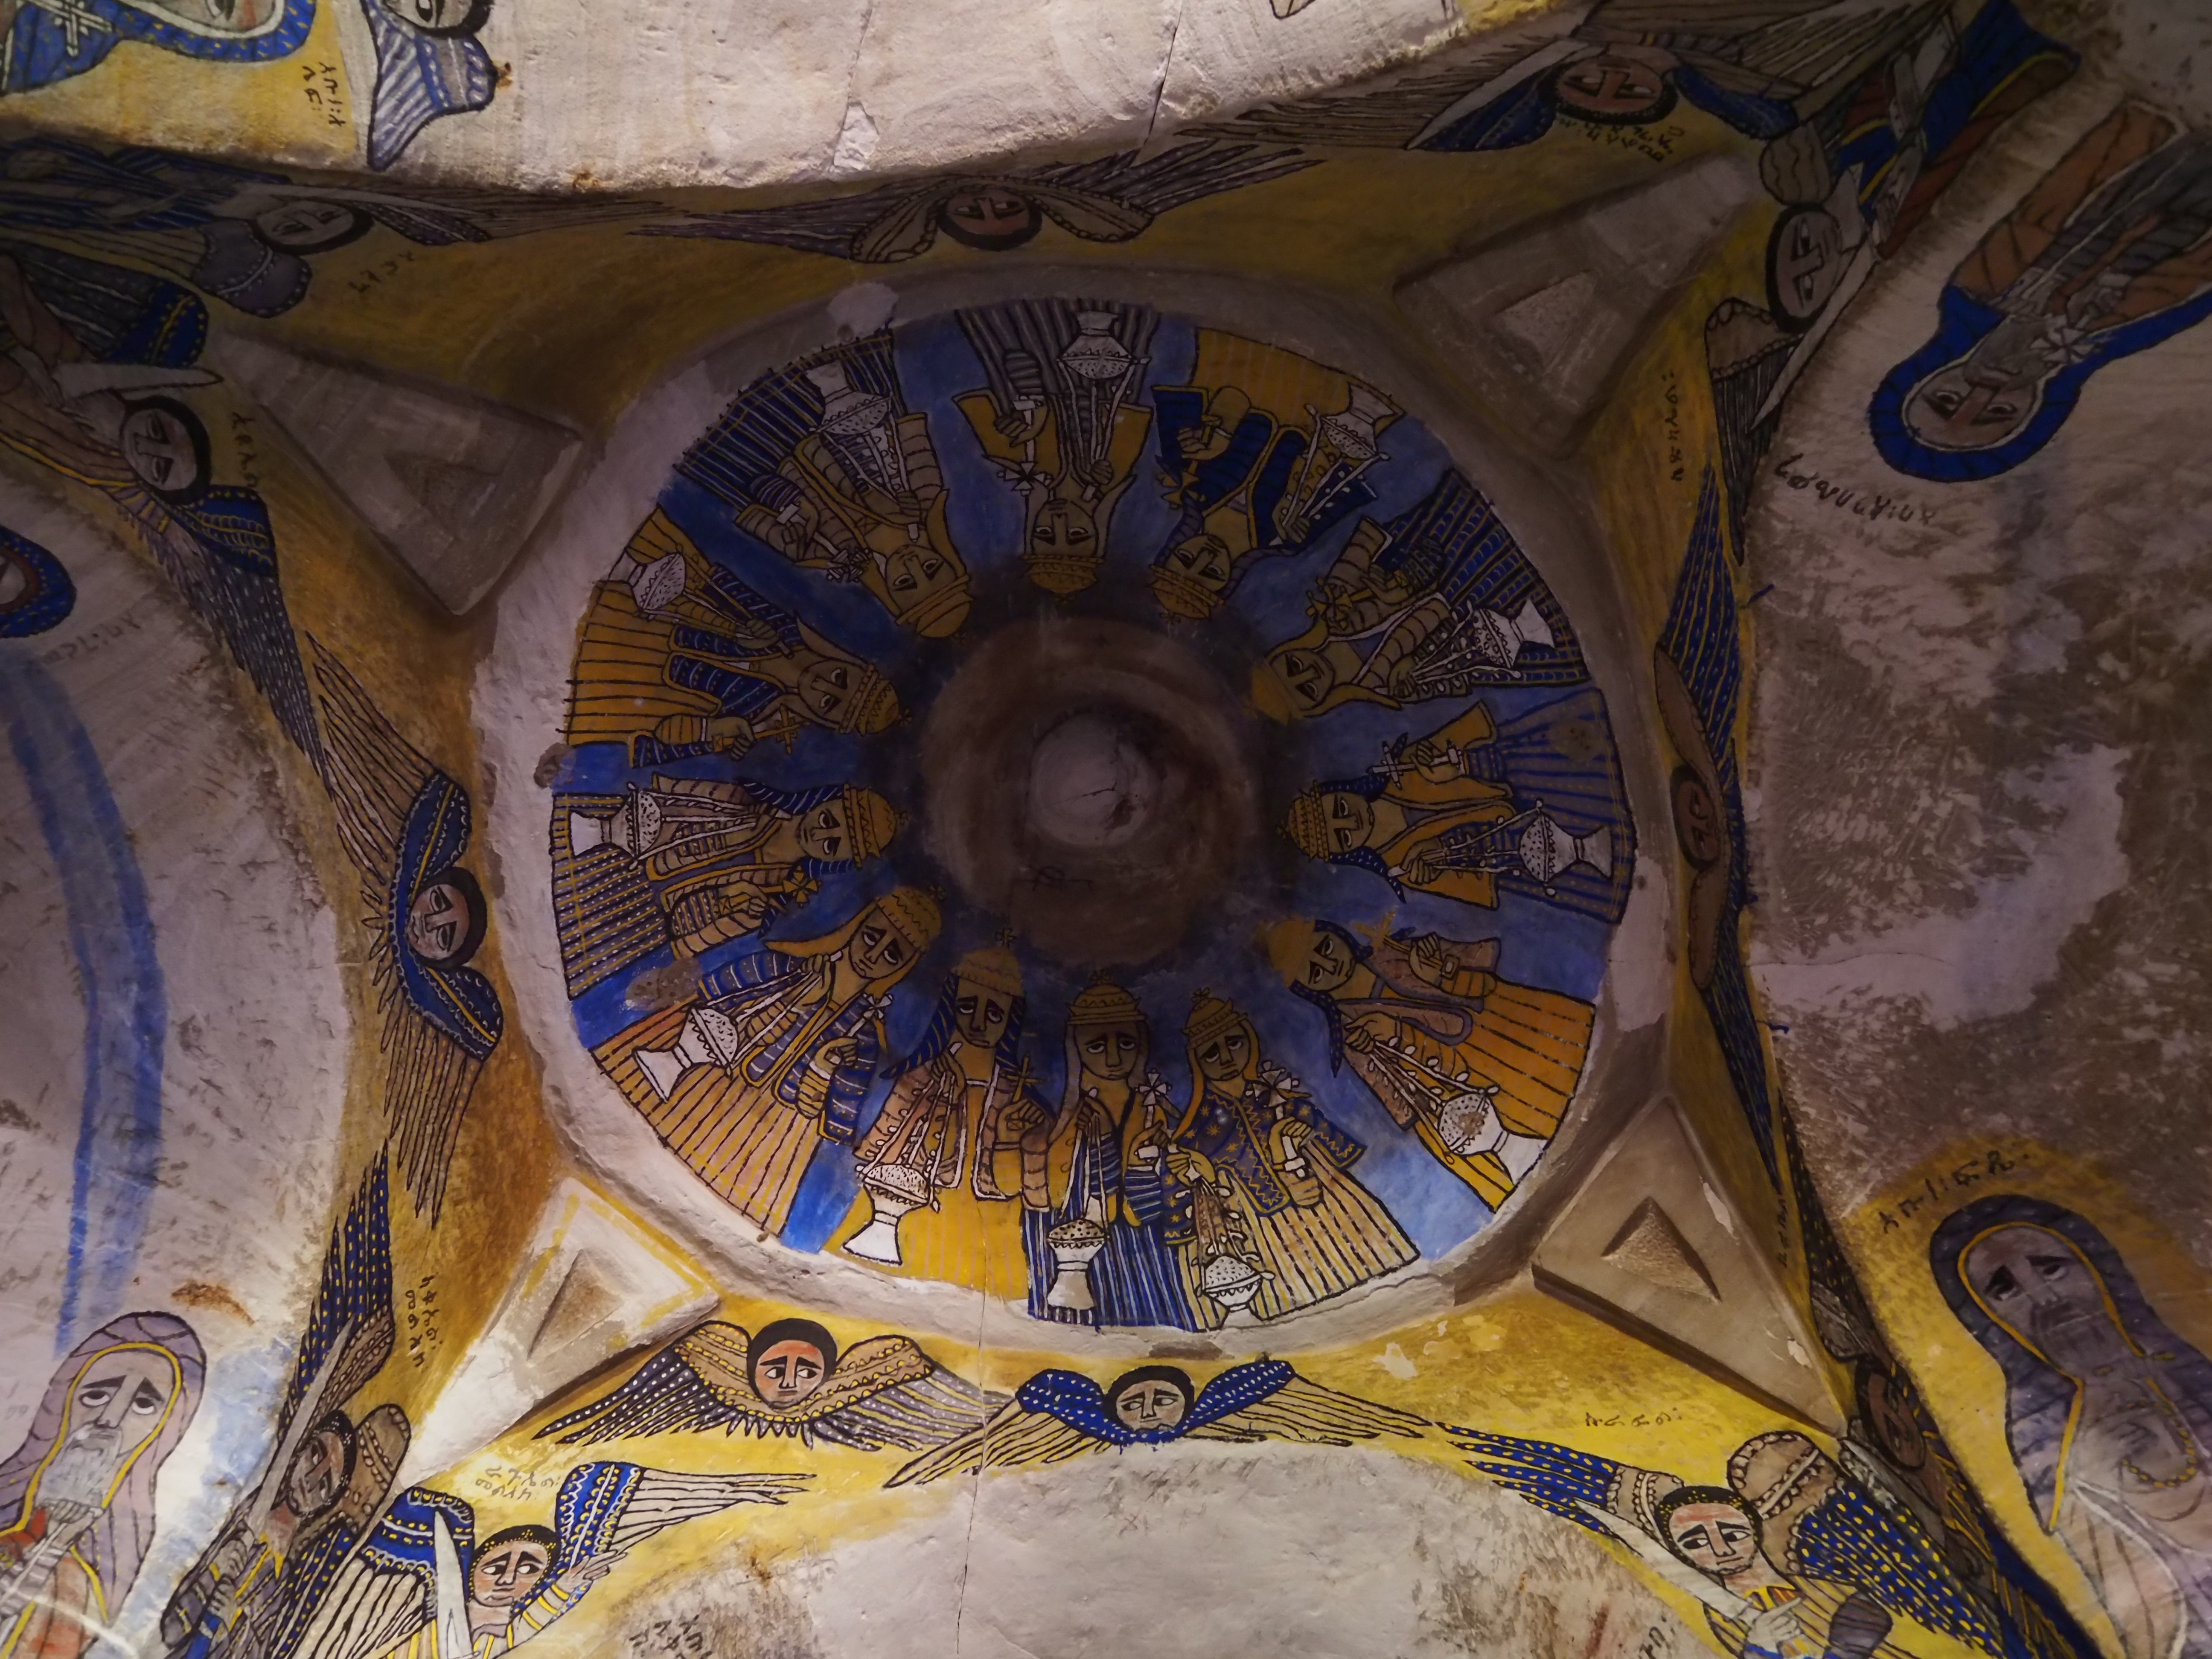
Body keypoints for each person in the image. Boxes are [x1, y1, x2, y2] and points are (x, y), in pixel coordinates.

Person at [1933, 1195, 2212, 1659]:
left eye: (2053, 1269)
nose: (2046, 1299)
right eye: (2006, 1290)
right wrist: (2091, 1464)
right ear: (1992, 1320)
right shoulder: (2041, 1430)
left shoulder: (2183, 1364)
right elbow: (2084, 1542)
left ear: (2097, 1269)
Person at [1873, 103, 2212, 482]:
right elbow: (2193, 277)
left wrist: (2138, 125)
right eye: (1999, 412)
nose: (1982, 393)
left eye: (1947, 400)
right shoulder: (2110, 342)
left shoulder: (1974, 296)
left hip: (2144, 162)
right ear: (2035, 412)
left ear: (1925, 377)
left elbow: (2045, 209)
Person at [596, 888, 940, 1237]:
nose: (873, 955)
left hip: (765, 1153)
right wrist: (791, 1001)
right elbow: (706, 994)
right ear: (856, 926)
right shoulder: (783, 968)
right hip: (697, 1089)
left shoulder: (863, 1042)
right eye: (871, 936)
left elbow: (835, 1127)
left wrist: (822, 1071)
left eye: (892, 955)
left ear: (902, 969)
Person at [1265, 917, 1593, 1207]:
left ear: (1337, 934)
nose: (1330, 964)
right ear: (1310, 991)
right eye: (1315, 972)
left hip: (1505, 1029)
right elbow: (1404, 1106)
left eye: (1325, 947)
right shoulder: (1354, 1035)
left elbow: (1481, 965)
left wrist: (1444, 971)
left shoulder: (1397, 952)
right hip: (1459, 1090)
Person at [567, 509, 901, 767]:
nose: (823, 685)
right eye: (841, 677)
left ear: (823, 718)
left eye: (829, 703)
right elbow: (712, 582)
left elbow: (651, 747)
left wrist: (710, 731)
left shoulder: (750, 716)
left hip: (622, 672)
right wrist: (735, 627)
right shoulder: (785, 628)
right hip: (655, 595)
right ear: (847, 660)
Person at [1162, 992, 1416, 1324]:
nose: (1225, 1057)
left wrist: (1291, 1141)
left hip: (1329, 1218)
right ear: (1197, 1062)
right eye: (1211, 1052)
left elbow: (1336, 1150)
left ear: (1250, 1041)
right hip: (1261, 1235)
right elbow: (1196, 1208)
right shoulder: (1197, 1133)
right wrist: (1208, 1175)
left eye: (1234, 1042)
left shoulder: (1281, 1099)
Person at [1250, 469, 1581, 721]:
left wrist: (1391, 583)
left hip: (1448, 539)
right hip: (1481, 596)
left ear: (1288, 648)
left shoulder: (1333, 607)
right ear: (1320, 704)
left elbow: (1367, 541)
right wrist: (1418, 667)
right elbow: (1459, 675)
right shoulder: (1385, 685)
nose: (1310, 672)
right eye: (1307, 690)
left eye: (1293, 665)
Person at [832, 947, 1048, 1298]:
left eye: (994, 1013)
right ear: (950, 1006)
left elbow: (1027, 1193)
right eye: (967, 1007)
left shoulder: (1016, 1095)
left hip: (988, 1230)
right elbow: (879, 1145)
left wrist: (1010, 1140)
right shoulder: (924, 1074)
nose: (978, 1023)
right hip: (913, 1207)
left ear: (1012, 1020)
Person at [551, 777, 899, 995]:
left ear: (837, 861)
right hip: (633, 850)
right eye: (828, 819)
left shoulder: (768, 896)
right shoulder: (744, 800)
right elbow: (674, 795)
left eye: (833, 845)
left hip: (642, 916)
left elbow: (691, 943)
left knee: (574, 929)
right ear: (823, 800)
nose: (821, 834)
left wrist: (724, 902)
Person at [1144, 329, 1397, 619]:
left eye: (1185, 557)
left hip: (1273, 344)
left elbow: (1224, 378)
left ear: (1173, 546)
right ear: (1232, 578)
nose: (1206, 555)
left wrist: (1223, 429)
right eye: (1212, 573)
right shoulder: (1286, 538)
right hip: (1347, 395)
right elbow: (1350, 472)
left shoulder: (1187, 478)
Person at [0, 1314, 204, 1659]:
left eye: (143, 1405)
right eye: (95, 1396)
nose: (110, 1419)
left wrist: (56, 1544)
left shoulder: (100, 1567)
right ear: (65, 1399)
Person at [1021, 976, 1199, 1329]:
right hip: (1083, 1242)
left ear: (1142, 1045)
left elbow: (1172, 1182)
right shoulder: (1069, 1118)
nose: (1114, 1058)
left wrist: (1143, 1159)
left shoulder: (1152, 1109)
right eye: (1097, 1046)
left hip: (1143, 1240)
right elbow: (1050, 1197)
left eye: (1126, 1043)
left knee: (1153, 1316)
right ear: (1076, 1048)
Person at [955, 301, 1155, 596]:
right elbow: (1124, 404)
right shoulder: (1110, 473)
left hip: (1018, 329)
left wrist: (1026, 409)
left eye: (1045, 534)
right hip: (1104, 344)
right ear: (1097, 531)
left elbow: (1006, 372)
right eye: (1077, 535)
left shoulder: (1017, 467)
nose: (1060, 522)